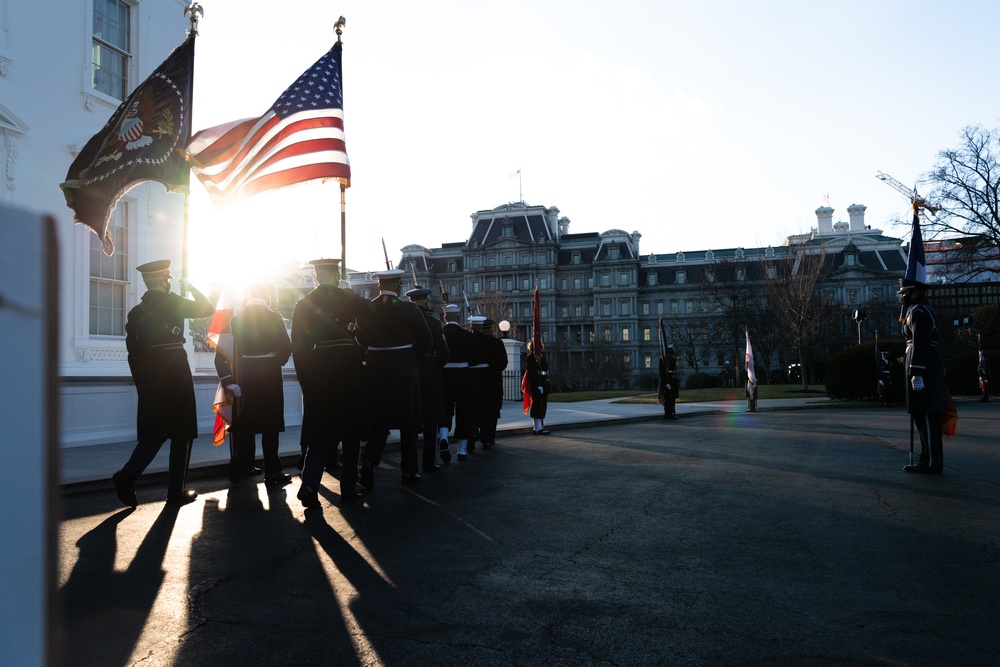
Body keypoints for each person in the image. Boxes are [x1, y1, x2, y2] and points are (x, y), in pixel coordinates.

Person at [112, 260, 214, 507]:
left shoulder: (136, 313)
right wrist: (190, 288)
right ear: (164, 280)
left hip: (151, 377)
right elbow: (206, 308)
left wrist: (143, 385)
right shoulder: (173, 301)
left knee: (155, 432)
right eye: (169, 278)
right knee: (183, 432)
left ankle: (127, 475)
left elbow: (132, 353)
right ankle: (175, 491)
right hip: (175, 369)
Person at [292, 258, 374, 507]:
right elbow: (372, 313)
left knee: (320, 431)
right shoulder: (348, 297)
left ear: (316, 276)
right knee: (350, 431)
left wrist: (306, 379)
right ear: (337, 275)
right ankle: (348, 488)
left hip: (319, 368)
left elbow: (297, 345)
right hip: (348, 365)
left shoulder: (303, 303)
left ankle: (309, 485)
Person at [358, 269, 433, 487]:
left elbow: (360, 339)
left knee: (379, 421)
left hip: (375, 367)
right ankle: (409, 470)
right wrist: (410, 357)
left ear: (379, 286)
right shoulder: (410, 309)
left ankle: (369, 463)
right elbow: (426, 340)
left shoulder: (367, 309)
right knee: (407, 422)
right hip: (403, 367)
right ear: (399, 286)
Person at [215, 284, 292, 489]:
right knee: (270, 424)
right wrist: (277, 360)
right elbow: (285, 347)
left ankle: (243, 462)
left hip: (246, 372)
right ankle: (272, 471)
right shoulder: (275, 318)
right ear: (267, 295)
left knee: (247, 423)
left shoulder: (236, 319)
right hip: (269, 371)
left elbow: (228, 351)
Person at [899, 278, 947, 474]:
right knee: (921, 414)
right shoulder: (917, 310)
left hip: (924, 365)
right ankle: (926, 459)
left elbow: (920, 343)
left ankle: (931, 462)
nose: (902, 296)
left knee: (926, 413)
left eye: (905, 293)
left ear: (915, 293)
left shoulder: (919, 312)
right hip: (923, 363)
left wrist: (917, 372)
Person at [406, 287, 450, 473]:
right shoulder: (433, 322)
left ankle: (409, 466)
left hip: (408, 371)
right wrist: (435, 365)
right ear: (425, 301)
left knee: (409, 422)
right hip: (429, 373)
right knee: (431, 420)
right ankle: (429, 462)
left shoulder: (403, 323)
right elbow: (444, 353)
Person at [440, 303, 482, 460]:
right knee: (464, 412)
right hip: (463, 375)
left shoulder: (440, 334)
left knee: (445, 409)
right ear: (458, 317)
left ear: (445, 317)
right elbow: (477, 358)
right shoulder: (467, 335)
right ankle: (462, 449)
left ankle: (443, 437)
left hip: (444, 376)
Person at [470, 317, 508, 449]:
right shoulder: (496, 342)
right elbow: (502, 363)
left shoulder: (470, 341)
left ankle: (473, 433)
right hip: (491, 381)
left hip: (473, 379)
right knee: (491, 410)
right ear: (490, 329)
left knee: (474, 409)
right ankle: (488, 438)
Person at [525, 341, 551, 434]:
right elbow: (532, 373)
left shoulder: (541, 357)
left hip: (543, 384)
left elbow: (544, 371)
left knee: (542, 406)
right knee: (537, 406)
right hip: (537, 385)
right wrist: (537, 385)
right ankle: (537, 427)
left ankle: (540, 427)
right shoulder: (531, 358)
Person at [658, 345, 679, 419]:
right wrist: (666, 383)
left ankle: (673, 412)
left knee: (673, 398)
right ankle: (668, 414)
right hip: (667, 381)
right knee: (668, 399)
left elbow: (674, 371)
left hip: (673, 381)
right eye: (670, 350)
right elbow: (662, 373)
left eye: (671, 350)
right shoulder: (663, 360)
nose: (671, 352)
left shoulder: (673, 359)